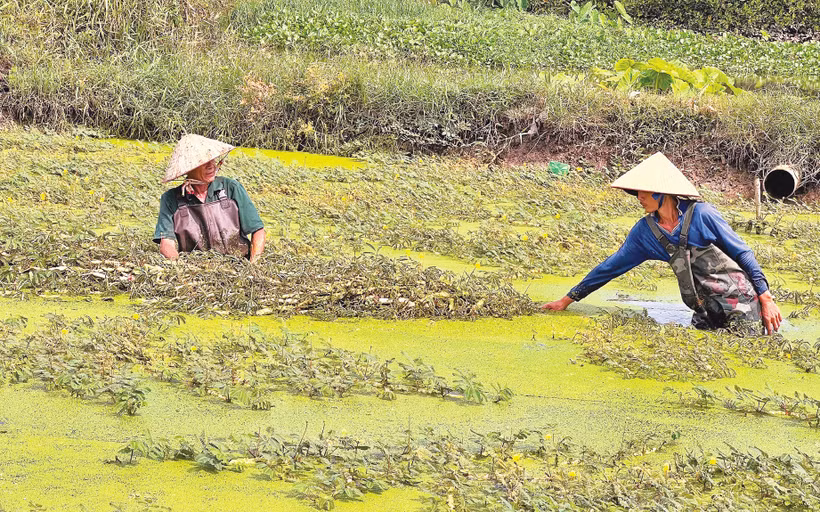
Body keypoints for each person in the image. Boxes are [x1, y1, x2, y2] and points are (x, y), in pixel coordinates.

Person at [542, 152, 782, 335]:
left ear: (663, 192)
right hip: (704, 312)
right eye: (636, 192)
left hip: (740, 305)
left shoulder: (703, 215)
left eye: (644, 192)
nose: (640, 198)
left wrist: (766, 299)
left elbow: (743, 254)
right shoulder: (645, 233)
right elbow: (610, 267)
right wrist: (568, 299)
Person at [153, 134, 266, 262]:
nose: (211, 165)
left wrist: (253, 265)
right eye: (203, 162)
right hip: (196, 269)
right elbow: (166, 244)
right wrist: (181, 269)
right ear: (189, 168)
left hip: (238, 264)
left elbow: (258, 231)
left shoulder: (231, 188)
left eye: (212, 159)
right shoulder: (171, 199)